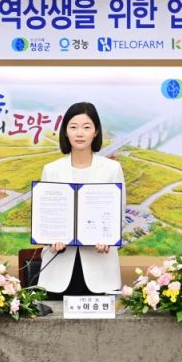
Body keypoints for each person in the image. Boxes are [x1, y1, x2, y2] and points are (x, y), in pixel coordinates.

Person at [36, 102, 125, 297]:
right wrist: (51, 237)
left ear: (96, 132)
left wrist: (109, 237)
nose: (79, 133)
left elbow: (119, 215)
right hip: (59, 268)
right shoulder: (51, 170)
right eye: (73, 127)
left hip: (100, 268)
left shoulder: (112, 169)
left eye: (86, 127)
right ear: (65, 132)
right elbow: (45, 216)